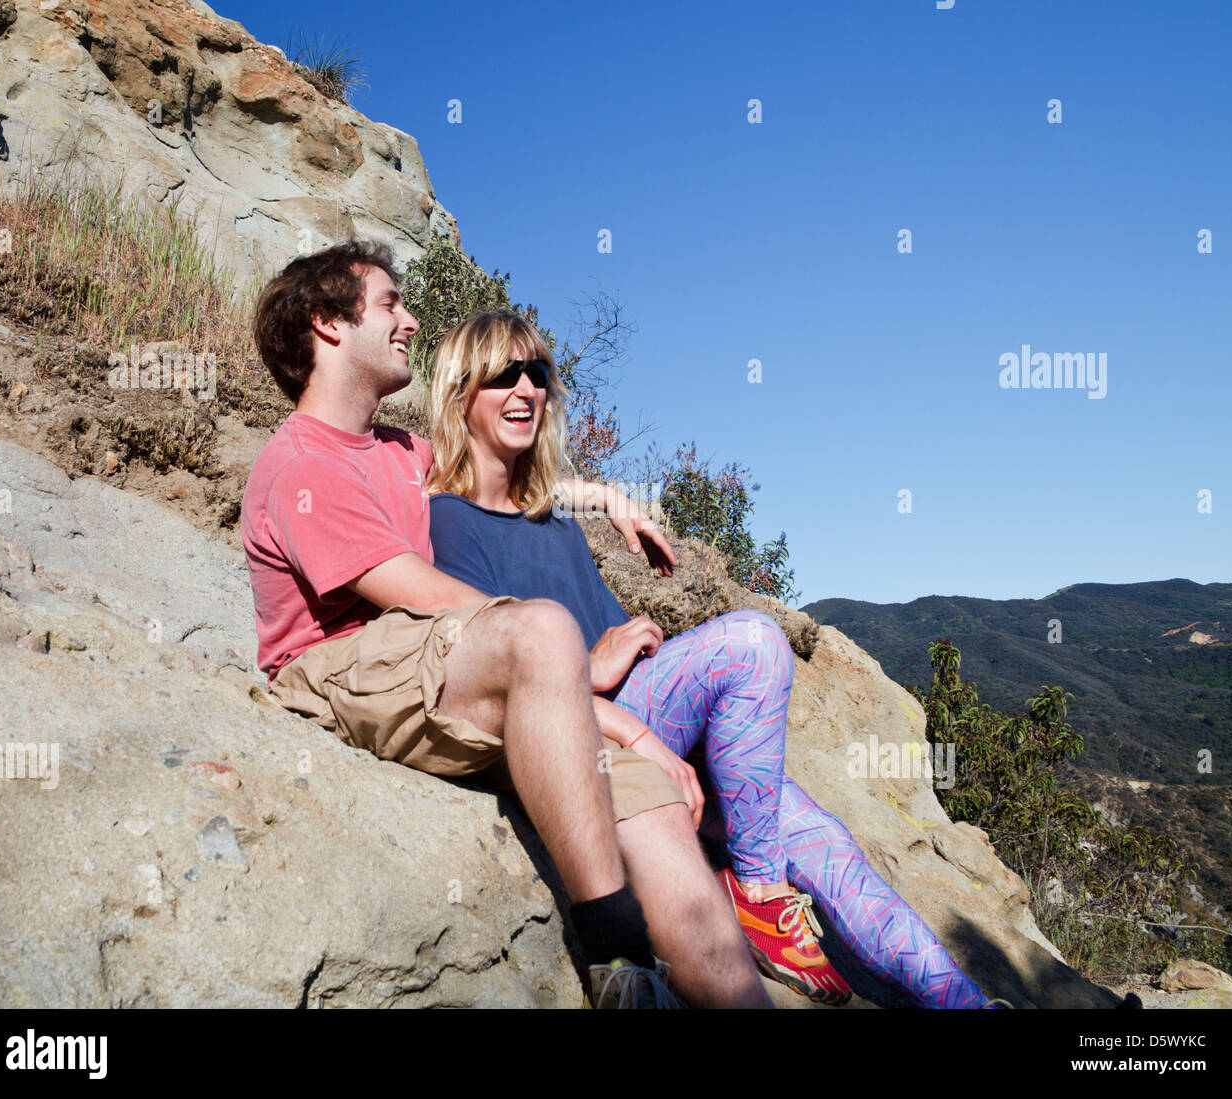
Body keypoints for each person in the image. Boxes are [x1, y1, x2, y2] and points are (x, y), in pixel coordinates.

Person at [241, 240, 771, 1009]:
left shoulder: (398, 450)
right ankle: (618, 960)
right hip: (347, 662)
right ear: (328, 324)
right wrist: (615, 711)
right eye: (391, 303)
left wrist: (603, 498)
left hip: (442, 666)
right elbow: (420, 595)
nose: (411, 320)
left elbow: (494, 463)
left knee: (665, 833)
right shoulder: (300, 464)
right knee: (541, 630)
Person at [425, 309, 996, 1008]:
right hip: (598, 734)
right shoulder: (447, 523)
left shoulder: (554, 515)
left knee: (827, 847)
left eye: (537, 373)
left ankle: (967, 1003)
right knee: (752, 640)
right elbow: (501, 683)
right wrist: (588, 669)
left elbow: (540, 500)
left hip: (663, 724)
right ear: (461, 393)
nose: (526, 389)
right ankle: (756, 892)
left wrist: (604, 496)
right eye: (502, 374)